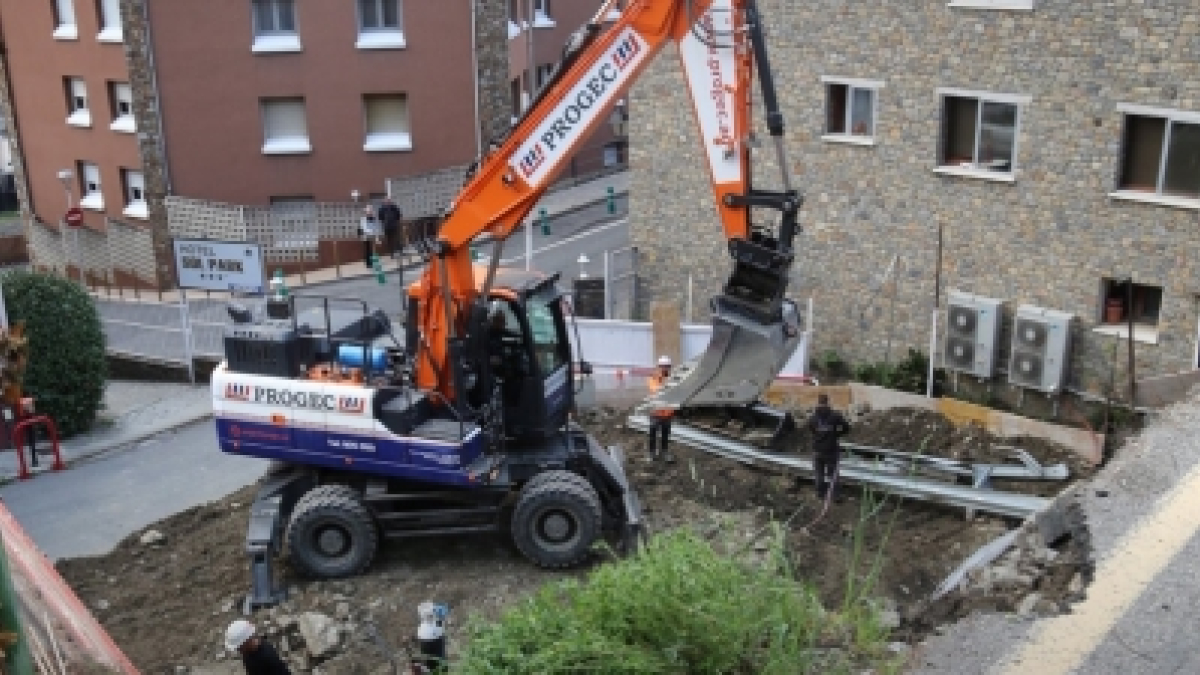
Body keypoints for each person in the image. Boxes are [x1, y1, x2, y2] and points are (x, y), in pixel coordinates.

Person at [808, 393, 851, 501]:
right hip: (831, 449)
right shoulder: (836, 416)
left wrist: (819, 436)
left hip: (817, 450)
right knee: (833, 474)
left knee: (819, 473)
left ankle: (820, 494)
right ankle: (835, 495)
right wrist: (836, 434)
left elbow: (812, 431)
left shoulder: (813, 418)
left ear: (818, 403)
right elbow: (846, 428)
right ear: (828, 402)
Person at [226, 619, 292, 675]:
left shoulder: (268, 656)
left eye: (239, 647)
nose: (238, 650)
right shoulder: (247, 652)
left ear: (247, 641)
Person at [645, 355, 675, 463]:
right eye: (663, 366)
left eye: (667, 366)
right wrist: (665, 382)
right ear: (659, 367)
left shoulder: (673, 377)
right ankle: (651, 453)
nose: (665, 369)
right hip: (656, 412)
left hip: (668, 413)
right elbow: (655, 390)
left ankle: (665, 452)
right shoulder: (652, 378)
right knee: (653, 434)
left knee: (665, 434)